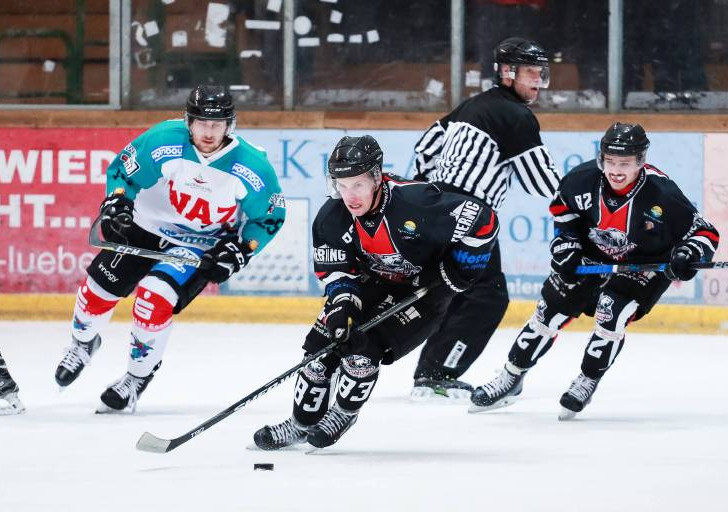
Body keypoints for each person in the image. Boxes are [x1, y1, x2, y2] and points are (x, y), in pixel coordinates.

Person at [253, 135, 500, 449]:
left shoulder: (416, 202)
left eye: (356, 184)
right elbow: (339, 272)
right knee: (318, 355)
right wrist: (343, 305)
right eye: (341, 185)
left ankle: (343, 413)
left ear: (375, 177)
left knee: (362, 354)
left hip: (422, 293)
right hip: (372, 284)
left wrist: (460, 271)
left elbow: (483, 220)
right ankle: (300, 424)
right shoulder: (332, 218)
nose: (349, 196)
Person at [54, 84, 286, 413]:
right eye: (202, 123)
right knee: (97, 291)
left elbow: (270, 216)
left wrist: (241, 249)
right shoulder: (164, 140)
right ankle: (82, 344)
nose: (208, 131)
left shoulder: (252, 166)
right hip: (144, 227)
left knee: (153, 299)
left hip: (197, 245)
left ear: (229, 125)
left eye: (217, 124)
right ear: (188, 121)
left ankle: (136, 378)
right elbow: (123, 171)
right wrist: (118, 199)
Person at [470, 122, 720, 420]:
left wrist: (687, 254)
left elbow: (705, 233)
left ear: (641, 162)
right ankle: (511, 377)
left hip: (643, 265)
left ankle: (588, 379)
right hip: (592, 256)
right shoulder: (581, 179)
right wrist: (567, 245)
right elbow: (564, 213)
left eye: (625, 163)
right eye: (611, 161)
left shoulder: (662, 193)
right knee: (548, 313)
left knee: (610, 311)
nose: (616, 170)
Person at [410, 37, 560, 400]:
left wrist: (428, 197)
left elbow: (425, 148)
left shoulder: (471, 106)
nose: (538, 81)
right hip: (471, 217)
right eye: (531, 73)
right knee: (486, 297)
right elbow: (543, 182)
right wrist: (588, 202)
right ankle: (435, 375)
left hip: (435, 209)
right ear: (508, 73)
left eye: (542, 74)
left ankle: (428, 371)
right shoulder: (515, 116)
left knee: (453, 291)